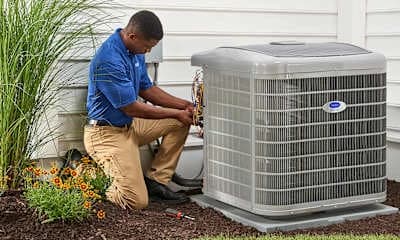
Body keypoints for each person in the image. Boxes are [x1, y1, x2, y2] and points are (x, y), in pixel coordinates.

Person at [84, 10, 194, 209]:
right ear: (132, 36)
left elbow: (147, 89)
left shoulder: (134, 51)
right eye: (147, 46)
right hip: (106, 134)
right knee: (135, 201)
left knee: (180, 121)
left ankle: (156, 182)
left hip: (129, 127)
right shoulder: (109, 59)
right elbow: (131, 108)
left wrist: (184, 106)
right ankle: (88, 176)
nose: (148, 51)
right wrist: (176, 111)